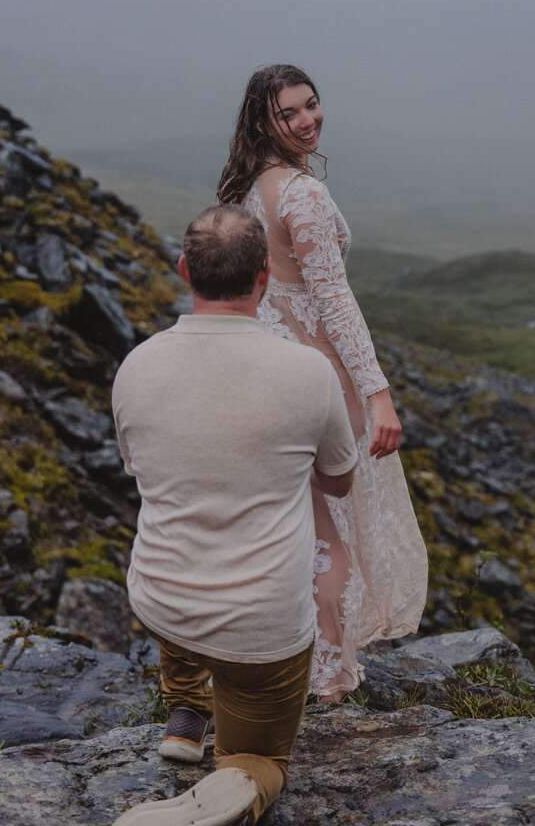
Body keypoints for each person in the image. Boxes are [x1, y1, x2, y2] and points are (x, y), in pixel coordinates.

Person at [111, 204, 357, 826]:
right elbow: (340, 478)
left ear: (185, 270)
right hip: (262, 626)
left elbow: (141, 469)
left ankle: (185, 713)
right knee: (259, 753)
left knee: (187, 535)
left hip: (164, 599)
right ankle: (236, 784)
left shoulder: (136, 365)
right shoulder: (309, 372)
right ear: (266, 277)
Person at [217, 64, 428, 702]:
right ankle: (330, 675)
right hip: (318, 379)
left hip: (265, 372)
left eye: (313, 106)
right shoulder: (302, 195)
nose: (309, 120)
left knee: (297, 525)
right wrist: (378, 392)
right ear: (265, 121)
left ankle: (296, 661)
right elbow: (335, 301)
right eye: (291, 114)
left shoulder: (251, 189)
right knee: (328, 530)